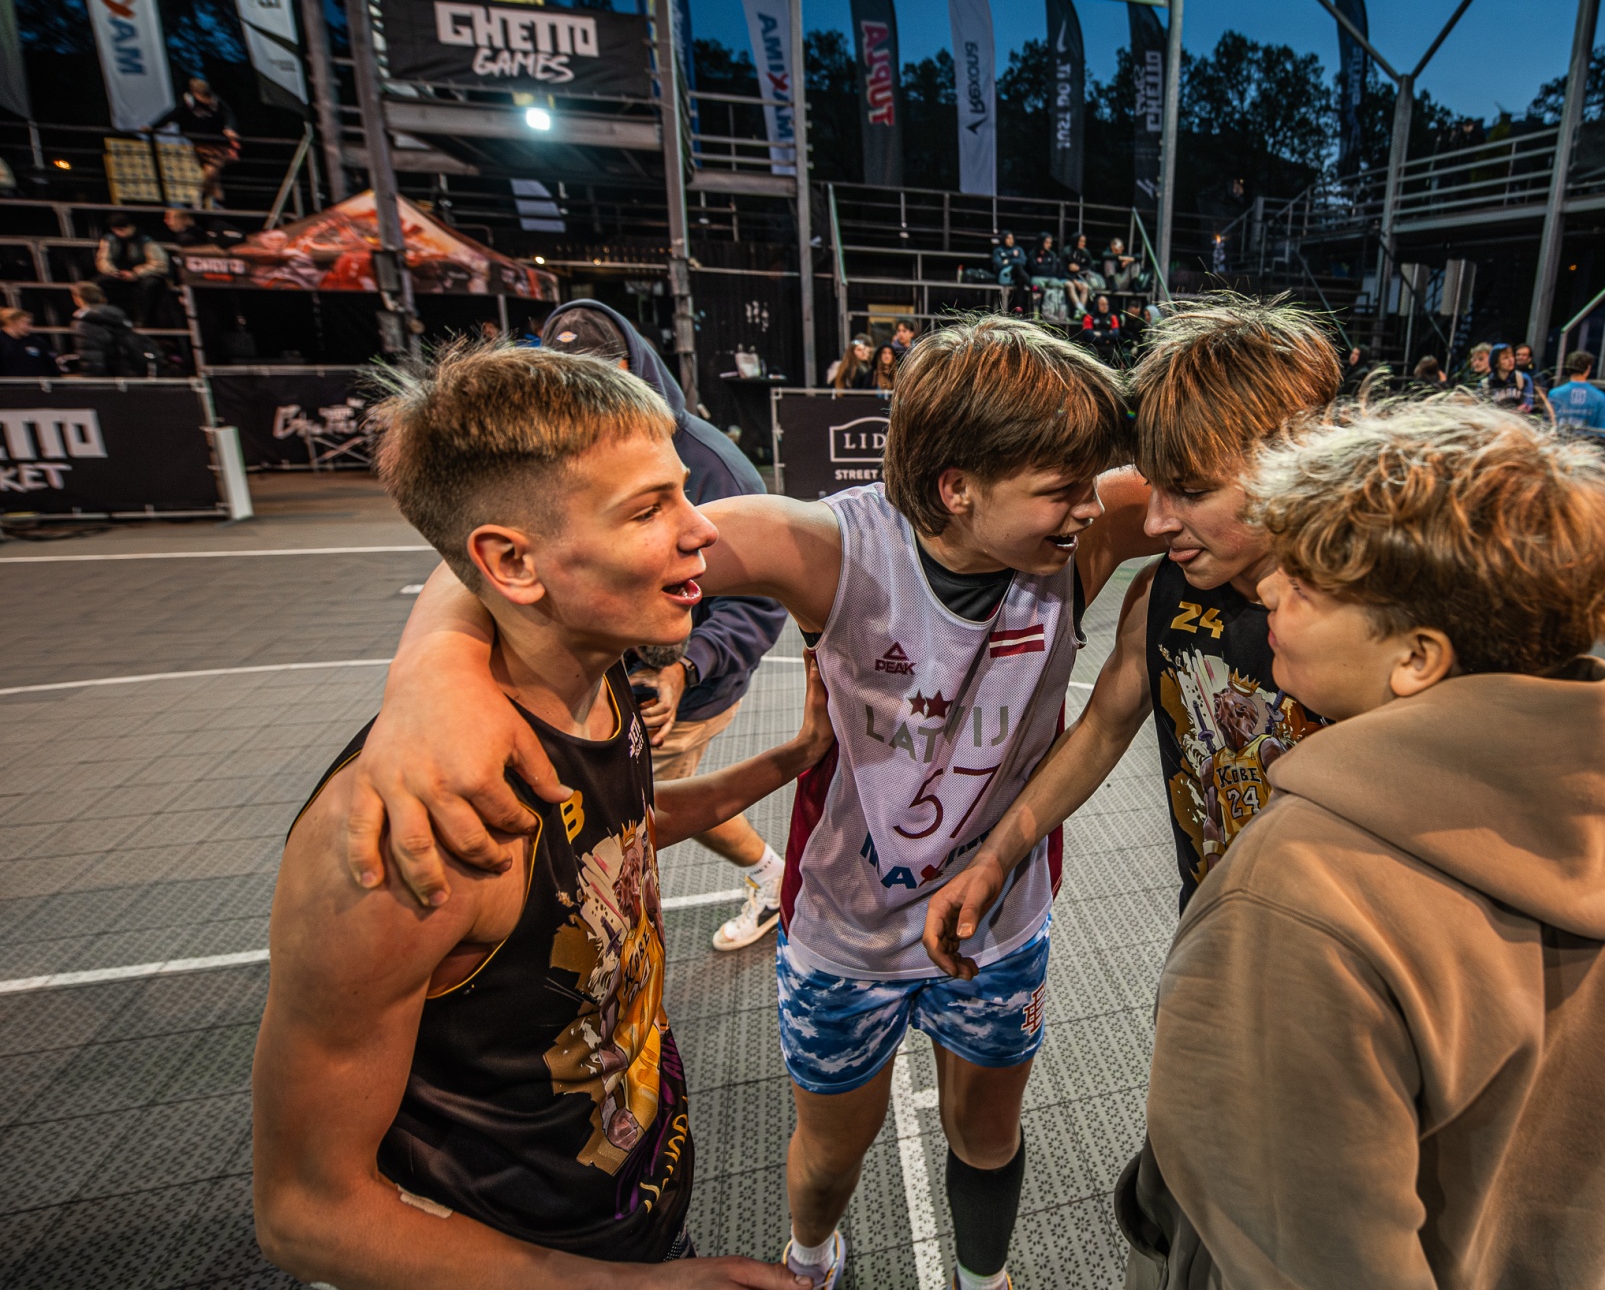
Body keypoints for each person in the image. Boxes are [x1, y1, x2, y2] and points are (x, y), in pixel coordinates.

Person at [336, 317, 1161, 1290]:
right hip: (847, 927)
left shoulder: (1084, 529)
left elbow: (1239, 478)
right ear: (956, 488)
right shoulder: (830, 548)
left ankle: (985, 1282)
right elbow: (531, 548)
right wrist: (429, 674)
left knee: (987, 1136)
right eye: (1064, 488)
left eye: (1092, 483)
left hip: (1000, 918)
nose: (1092, 505)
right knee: (831, 1154)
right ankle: (813, 1260)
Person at [251, 342, 822, 1288]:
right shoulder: (420, 834)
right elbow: (308, 1214)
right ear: (512, 563)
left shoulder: (602, 684)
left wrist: (789, 760)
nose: (702, 532)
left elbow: (613, 842)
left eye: (683, 493)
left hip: (621, 1214)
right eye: (650, 509)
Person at [1121, 398, 1605, 1290]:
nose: (1270, 591)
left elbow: (1301, 1250)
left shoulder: (1301, 887)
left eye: (1308, 582)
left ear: (1417, 657)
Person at [922, 296, 1341, 970]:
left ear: (1298, 465)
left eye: (1191, 491)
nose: (1154, 522)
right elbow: (1101, 731)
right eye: (1155, 488)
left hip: (1348, 959)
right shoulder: (1161, 594)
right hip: (1214, 933)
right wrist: (996, 856)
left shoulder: (1377, 624)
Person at [540, 301, 793, 954]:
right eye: (567, 380)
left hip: (677, 684)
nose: (586, 397)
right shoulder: (566, 449)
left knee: (630, 818)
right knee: (632, 807)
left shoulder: (714, 467)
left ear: (633, 369)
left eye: (601, 376)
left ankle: (769, 878)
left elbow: (761, 601)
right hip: (606, 678)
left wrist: (685, 666)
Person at [151, 77, 242, 207]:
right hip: (198, 143)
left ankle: (205, 197)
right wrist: (153, 127)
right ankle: (207, 198)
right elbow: (172, 116)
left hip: (217, 143)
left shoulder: (215, 102)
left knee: (213, 171)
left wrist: (229, 128)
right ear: (195, 93)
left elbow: (228, 115)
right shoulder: (188, 102)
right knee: (210, 172)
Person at [95, 214, 173, 326]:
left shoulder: (145, 240)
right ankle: (108, 318)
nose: (120, 232)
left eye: (123, 228)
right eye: (116, 229)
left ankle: (142, 320)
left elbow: (160, 263)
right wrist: (113, 272)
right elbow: (103, 260)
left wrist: (136, 273)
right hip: (119, 275)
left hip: (143, 275)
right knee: (100, 283)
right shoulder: (109, 240)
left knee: (151, 284)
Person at [69, 282, 158, 378]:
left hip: (103, 378)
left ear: (77, 299)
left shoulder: (84, 323)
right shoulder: (118, 316)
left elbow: (91, 356)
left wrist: (89, 380)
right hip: (126, 373)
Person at [1548, 350, 1605, 430]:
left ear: (1568, 367)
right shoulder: (1600, 397)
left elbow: (1547, 425)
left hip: (1559, 437)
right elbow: (1601, 431)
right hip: (1587, 438)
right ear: (1588, 368)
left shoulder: (1554, 394)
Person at [0, 307, 56, 378]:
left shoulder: (36, 341)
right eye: (26, 323)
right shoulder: (2, 341)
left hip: (35, 383)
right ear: (12, 322)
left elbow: (50, 365)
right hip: (7, 383)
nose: (30, 327)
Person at [1079, 294, 1121, 363]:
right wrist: (1107, 336)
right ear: (1097, 305)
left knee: (1116, 357)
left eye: (1106, 304)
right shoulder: (1089, 317)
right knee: (1091, 354)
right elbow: (1088, 334)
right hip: (1094, 346)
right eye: (1102, 304)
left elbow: (1116, 334)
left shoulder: (1112, 317)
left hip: (1108, 347)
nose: (1105, 306)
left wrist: (1100, 334)